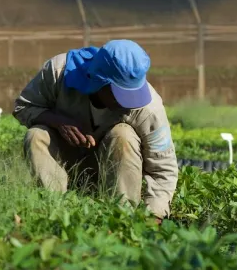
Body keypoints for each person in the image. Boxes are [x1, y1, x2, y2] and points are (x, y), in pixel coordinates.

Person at [12, 39, 178, 224]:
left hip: (112, 175)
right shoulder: (59, 72)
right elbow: (23, 107)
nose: (128, 103)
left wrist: (153, 217)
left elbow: (163, 169)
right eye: (120, 94)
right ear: (99, 81)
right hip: (67, 165)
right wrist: (58, 121)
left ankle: (121, 218)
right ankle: (54, 213)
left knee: (123, 134)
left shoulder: (149, 107)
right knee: (37, 135)